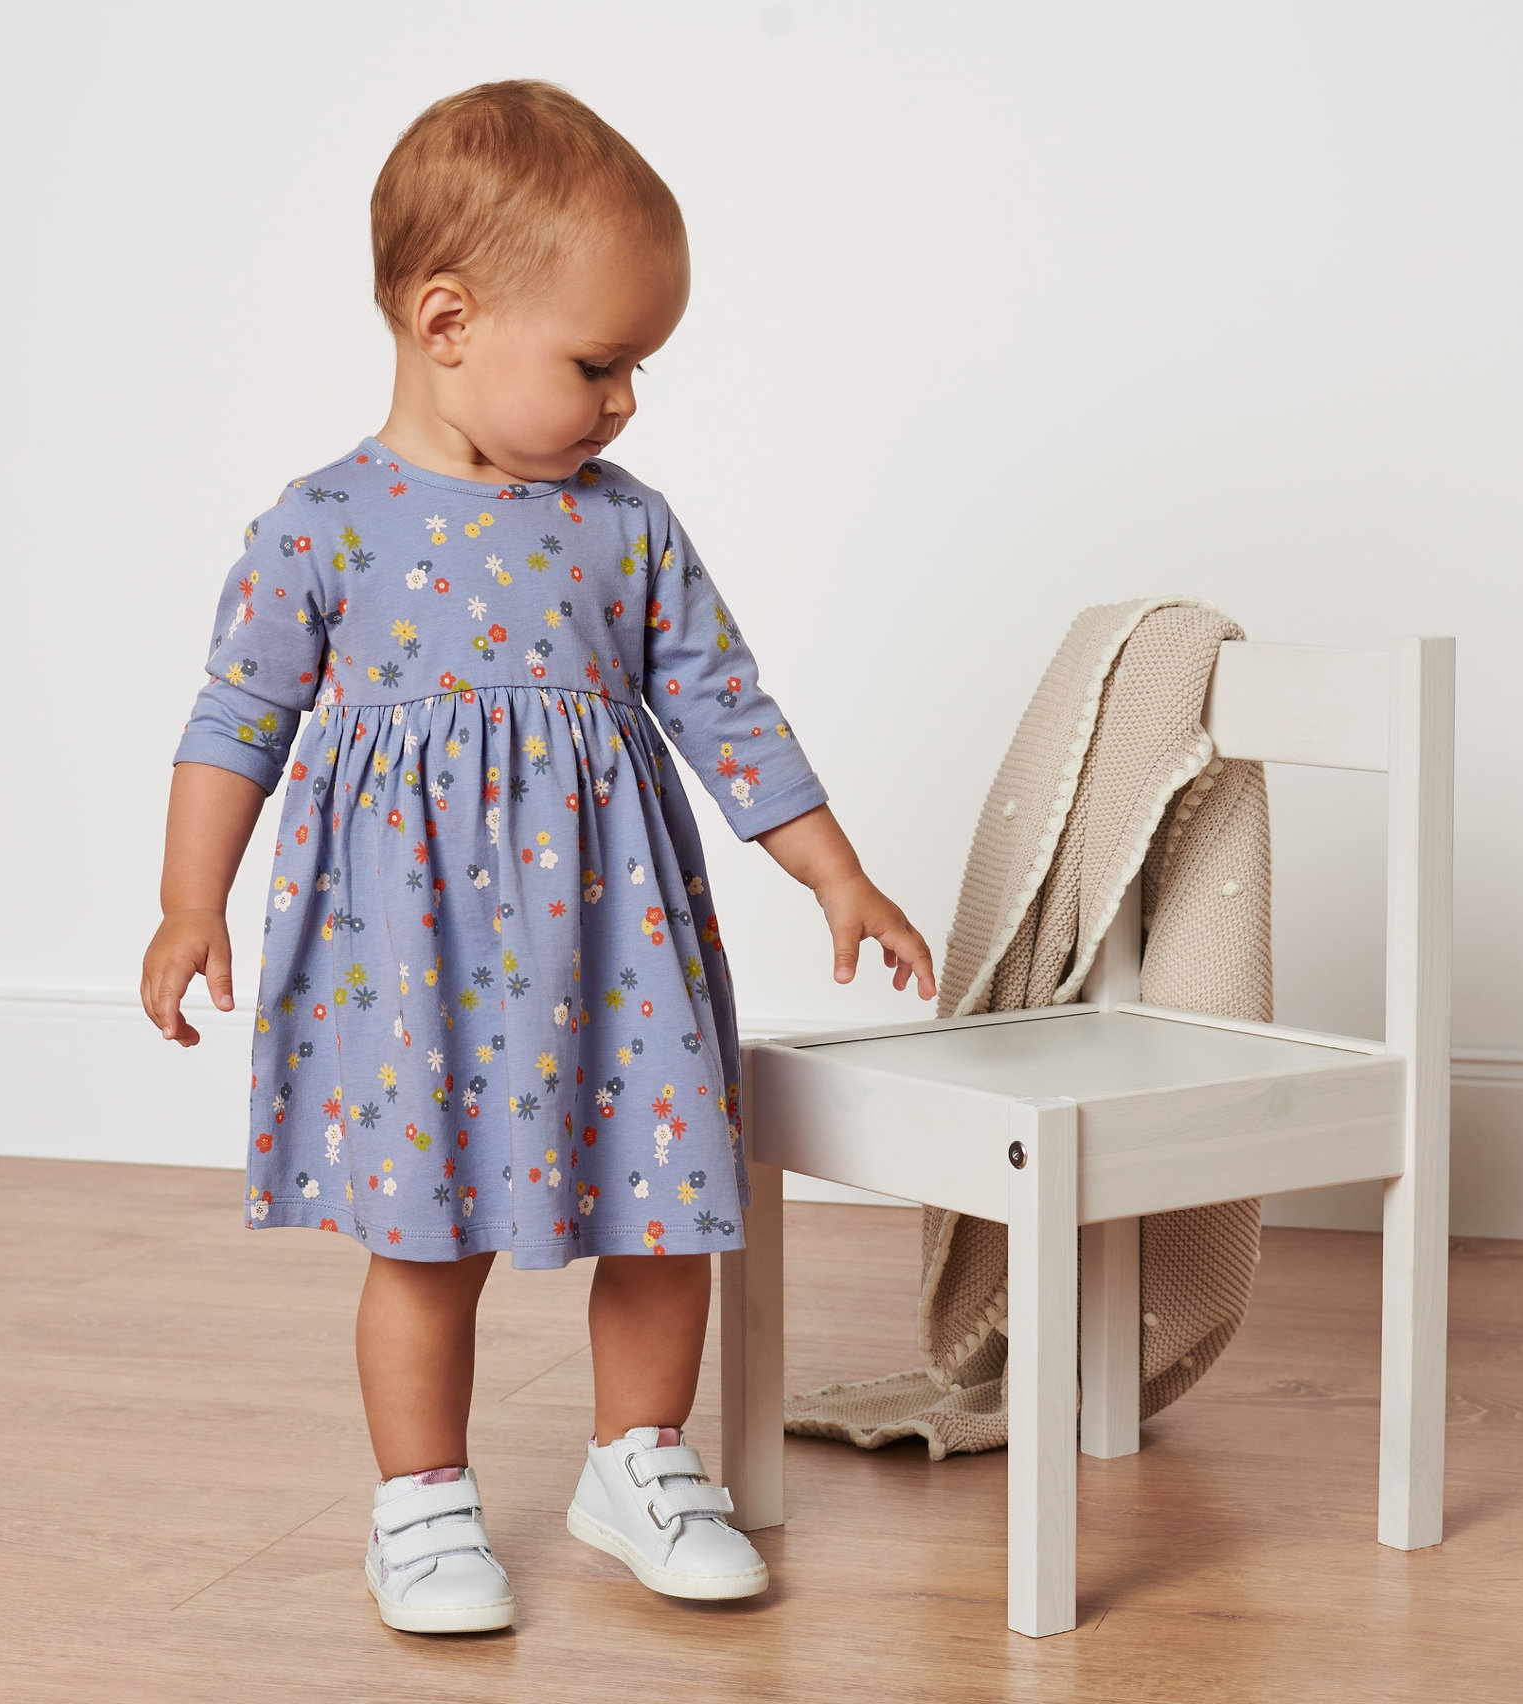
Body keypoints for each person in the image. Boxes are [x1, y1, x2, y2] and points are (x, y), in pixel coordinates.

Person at [141, 80, 936, 1635]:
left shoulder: (626, 527)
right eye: (600, 363)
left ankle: (637, 1461)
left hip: (615, 950)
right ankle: (420, 1506)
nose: (627, 401)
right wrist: (190, 901)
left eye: (639, 366)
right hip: (410, 959)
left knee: (665, 1211)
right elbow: (235, 716)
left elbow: (724, 706)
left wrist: (832, 869)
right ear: (448, 321)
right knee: (426, 1240)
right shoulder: (322, 527)